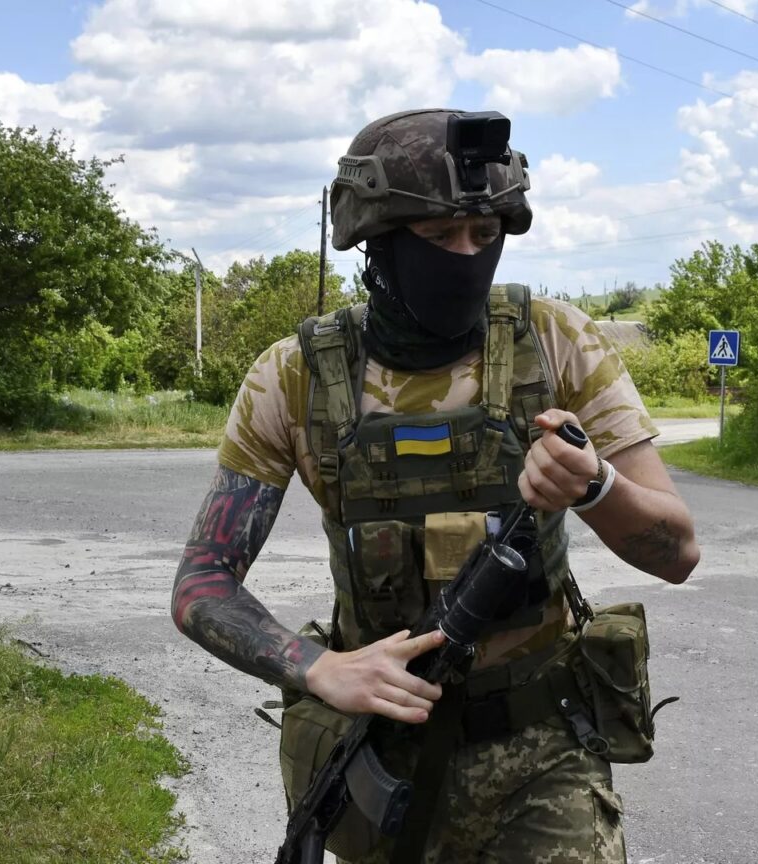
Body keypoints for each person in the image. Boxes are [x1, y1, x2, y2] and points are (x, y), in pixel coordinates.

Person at [171, 108, 699, 864]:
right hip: (384, 756)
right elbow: (201, 582)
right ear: (377, 241)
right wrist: (320, 668)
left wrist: (596, 485)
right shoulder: (293, 376)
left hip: (543, 751)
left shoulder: (556, 342)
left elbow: (677, 553)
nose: (467, 256)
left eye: (485, 234)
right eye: (439, 235)